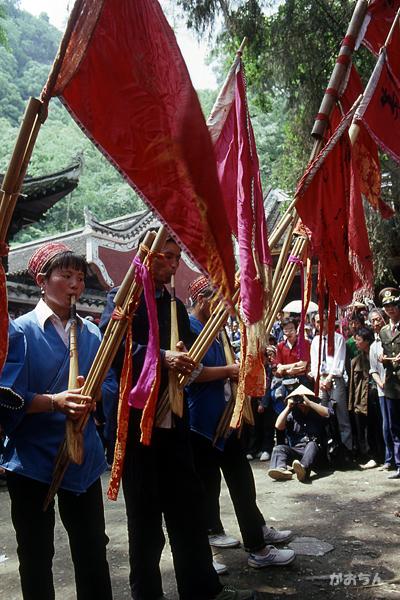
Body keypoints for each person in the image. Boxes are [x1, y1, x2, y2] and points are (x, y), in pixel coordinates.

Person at [100, 232, 256, 600]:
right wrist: (162, 358)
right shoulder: (121, 299)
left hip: (175, 420)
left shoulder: (171, 303)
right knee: (145, 522)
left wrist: (183, 356)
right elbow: (115, 349)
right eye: (165, 257)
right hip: (139, 425)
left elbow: (189, 357)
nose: (172, 265)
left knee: (188, 508)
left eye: (175, 259)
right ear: (147, 255)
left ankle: (202, 589)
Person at [0, 242, 117, 600]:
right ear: (41, 280)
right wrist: (55, 401)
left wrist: (96, 395)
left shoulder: (93, 332)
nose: (75, 285)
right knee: (36, 553)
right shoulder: (17, 331)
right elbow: (6, 397)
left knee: (93, 546)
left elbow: (109, 384)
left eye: (80, 278)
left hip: (81, 457)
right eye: (65, 275)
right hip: (33, 460)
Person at [186, 276, 295, 571]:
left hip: (227, 419)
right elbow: (189, 373)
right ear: (203, 300)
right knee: (204, 490)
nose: (225, 308)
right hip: (201, 423)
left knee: (242, 483)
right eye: (220, 301)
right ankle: (208, 552)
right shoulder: (189, 327)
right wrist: (229, 370)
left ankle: (256, 539)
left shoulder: (217, 329)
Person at [310, 313, 353, 457]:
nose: (320, 323)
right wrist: (320, 380)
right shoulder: (315, 341)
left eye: (323, 320)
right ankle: (326, 451)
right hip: (321, 381)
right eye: (317, 321)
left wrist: (328, 378)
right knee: (322, 415)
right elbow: (314, 362)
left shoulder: (338, 338)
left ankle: (346, 450)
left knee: (341, 415)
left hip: (334, 379)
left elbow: (338, 361)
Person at [268, 384, 330, 482]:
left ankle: (303, 470)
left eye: (303, 398)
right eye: (298, 399)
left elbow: (328, 413)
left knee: (312, 444)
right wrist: (288, 407)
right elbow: (278, 426)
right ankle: (280, 470)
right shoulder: (292, 414)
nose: (301, 402)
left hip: (315, 453)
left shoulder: (317, 412)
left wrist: (309, 403)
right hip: (296, 452)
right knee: (278, 448)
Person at [348, 327, 385, 469]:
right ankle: (372, 456)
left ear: (367, 341)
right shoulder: (356, 361)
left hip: (378, 395)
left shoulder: (377, 355)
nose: (355, 342)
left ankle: (383, 455)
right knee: (366, 428)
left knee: (380, 426)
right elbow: (352, 385)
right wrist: (352, 404)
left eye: (358, 340)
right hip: (362, 399)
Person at [369, 308, 395, 471]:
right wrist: (381, 383)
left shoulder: (393, 338)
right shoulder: (374, 346)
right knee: (386, 425)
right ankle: (389, 458)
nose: (376, 323)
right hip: (382, 390)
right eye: (373, 321)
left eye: (378, 319)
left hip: (395, 388)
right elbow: (373, 369)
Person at [379, 288, 400, 479]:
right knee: (394, 426)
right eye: (387, 306)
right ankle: (398, 464)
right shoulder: (384, 331)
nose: (390, 309)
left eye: (393, 305)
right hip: (392, 384)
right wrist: (383, 358)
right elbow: (386, 355)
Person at [275, 317, 311, 396]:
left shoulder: (304, 343)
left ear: (296, 329)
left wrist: (284, 368)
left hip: (302, 379)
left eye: (291, 329)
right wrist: (289, 370)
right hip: (286, 380)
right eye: (286, 330)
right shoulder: (280, 346)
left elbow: (303, 364)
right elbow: (279, 365)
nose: (289, 332)